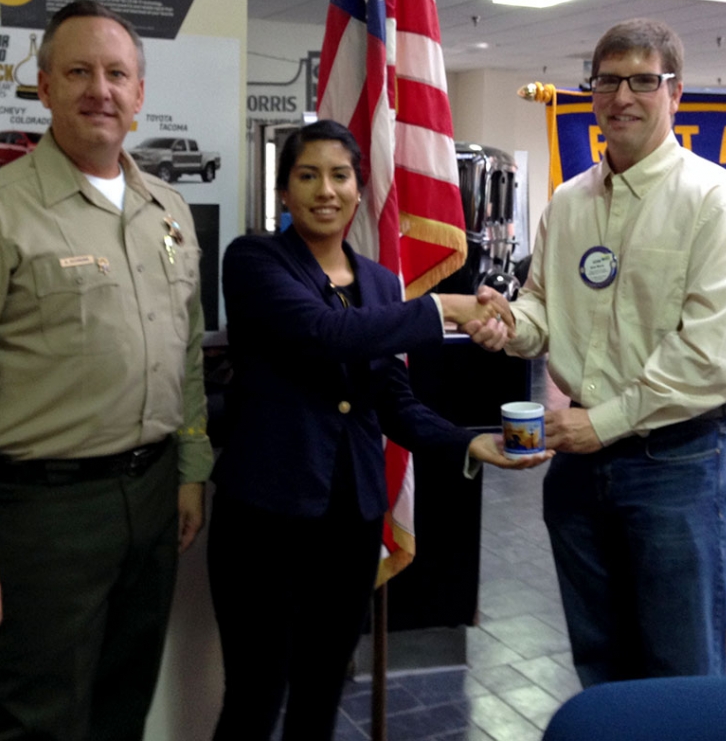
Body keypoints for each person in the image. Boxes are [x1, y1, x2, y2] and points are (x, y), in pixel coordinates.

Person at [0, 0, 213, 740]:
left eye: (116, 73)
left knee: (122, 707)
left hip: (153, 493)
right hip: (42, 516)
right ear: (44, 88)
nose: (98, 89)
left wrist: (190, 469)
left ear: (140, 95)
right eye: (77, 72)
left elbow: (186, 353)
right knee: (35, 722)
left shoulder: (166, 210)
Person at [208, 119, 551, 741]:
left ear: (360, 190)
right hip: (267, 519)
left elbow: (391, 399)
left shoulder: (375, 281)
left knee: (321, 689)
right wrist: (441, 306)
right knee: (255, 695)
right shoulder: (255, 260)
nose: (325, 190)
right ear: (284, 190)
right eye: (306, 175)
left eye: (340, 176)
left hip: (351, 520)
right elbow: (324, 335)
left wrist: (465, 442)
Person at [471, 18, 726, 687]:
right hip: (580, 468)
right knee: (600, 662)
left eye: (643, 80)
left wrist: (599, 423)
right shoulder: (570, 202)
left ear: (676, 94)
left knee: (679, 670)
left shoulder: (716, 202)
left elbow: (710, 358)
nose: (622, 97)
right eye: (607, 80)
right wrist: (508, 325)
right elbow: (544, 306)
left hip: (677, 460)